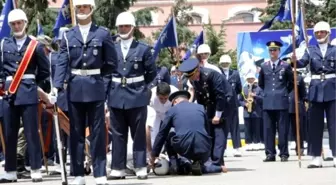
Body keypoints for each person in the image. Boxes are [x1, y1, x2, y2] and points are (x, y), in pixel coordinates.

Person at [52, 0, 117, 184]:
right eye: (79, 7)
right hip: (75, 88)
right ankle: (79, 174)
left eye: (85, 7)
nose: (82, 10)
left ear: (91, 9)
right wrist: (56, 87)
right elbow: (62, 62)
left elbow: (111, 63)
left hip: (95, 86)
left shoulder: (102, 33)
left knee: (97, 132)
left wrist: (100, 81)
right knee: (76, 132)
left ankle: (99, 173)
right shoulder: (68, 35)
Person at [0, 8, 50, 182]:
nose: (16, 26)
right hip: (8, 93)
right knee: (9, 132)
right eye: (13, 24)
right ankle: (10, 170)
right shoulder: (4, 44)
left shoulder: (35, 46)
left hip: (28, 92)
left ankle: (36, 168)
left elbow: (44, 72)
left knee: (31, 132)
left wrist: (38, 89)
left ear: (25, 24)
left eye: (19, 23)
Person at [106, 11, 156, 180]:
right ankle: (118, 169)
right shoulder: (111, 47)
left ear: (133, 28)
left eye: (126, 26)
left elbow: (151, 73)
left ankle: (140, 166)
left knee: (138, 134)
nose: (123, 29)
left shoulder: (143, 49)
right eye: (120, 26)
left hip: (137, 95)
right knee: (118, 134)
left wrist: (140, 86)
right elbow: (106, 72)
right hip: (116, 95)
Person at [149, 90, 227, 175]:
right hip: (203, 147)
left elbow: (162, 134)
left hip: (185, 147)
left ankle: (175, 165)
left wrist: (154, 155)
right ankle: (215, 167)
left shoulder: (172, 110)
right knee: (199, 148)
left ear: (175, 101)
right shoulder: (200, 107)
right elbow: (207, 131)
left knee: (169, 134)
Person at [292, 21, 336, 168]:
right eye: (317, 32)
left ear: (328, 33)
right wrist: (294, 62)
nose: (319, 35)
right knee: (314, 126)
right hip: (316, 90)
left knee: (334, 125)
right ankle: (316, 157)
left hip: (332, 89)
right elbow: (302, 63)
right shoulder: (310, 50)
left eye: (322, 32)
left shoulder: (334, 50)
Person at [178, 58, 232, 167]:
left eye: (192, 76)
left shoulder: (212, 75)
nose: (191, 79)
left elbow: (220, 95)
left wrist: (217, 115)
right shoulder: (193, 80)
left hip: (225, 103)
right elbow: (201, 96)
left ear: (197, 70)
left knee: (219, 133)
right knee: (209, 132)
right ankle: (211, 161)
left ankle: (217, 163)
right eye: (189, 77)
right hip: (211, 104)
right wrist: (202, 113)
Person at [258, 41, 293, 162]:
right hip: (268, 102)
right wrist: (269, 93)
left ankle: (284, 153)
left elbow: (291, 83)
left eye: (275, 50)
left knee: (283, 129)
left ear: (279, 51)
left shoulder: (285, 66)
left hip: (282, 101)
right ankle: (270, 153)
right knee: (268, 130)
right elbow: (261, 84)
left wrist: (283, 92)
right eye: (270, 50)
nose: (272, 52)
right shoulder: (264, 66)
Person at [218, 54, 243, 156]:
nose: (225, 65)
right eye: (223, 63)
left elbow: (239, 88)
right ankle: (222, 149)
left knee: (235, 126)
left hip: (233, 103)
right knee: (223, 126)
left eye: (226, 63)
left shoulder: (235, 74)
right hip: (222, 103)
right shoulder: (218, 73)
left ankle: (236, 148)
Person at [239, 73, 264, 151]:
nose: (250, 80)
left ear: (254, 79)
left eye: (252, 79)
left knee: (256, 128)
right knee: (247, 128)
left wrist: (255, 96)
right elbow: (239, 100)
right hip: (247, 111)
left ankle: (257, 143)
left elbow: (263, 99)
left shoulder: (259, 89)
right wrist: (244, 104)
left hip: (257, 111)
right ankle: (248, 143)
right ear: (246, 80)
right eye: (249, 79)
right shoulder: (243, 89)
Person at [288, 68, 306, 156]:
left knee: (298, 128)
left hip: (296, 105)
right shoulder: (284, 78)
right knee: (285, 128)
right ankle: (283, 149)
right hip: (285, 105)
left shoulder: (299, 78)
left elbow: (303, 94)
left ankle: (300, 147)